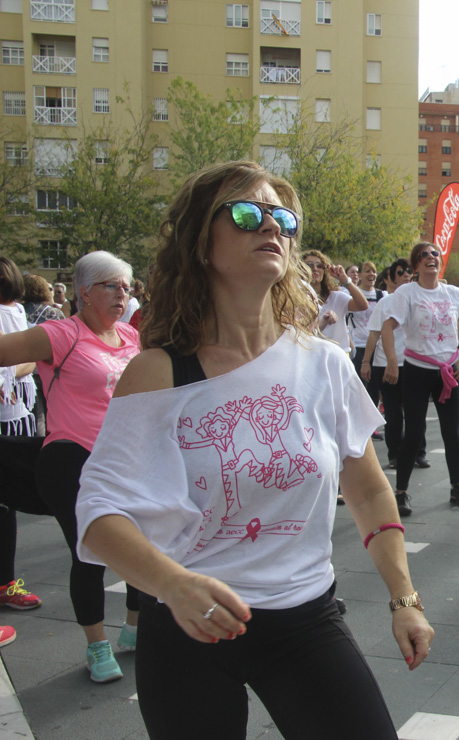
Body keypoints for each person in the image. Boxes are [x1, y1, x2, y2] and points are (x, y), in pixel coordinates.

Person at [75, 161, 433, 738]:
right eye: (246, 213)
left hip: (306, 617)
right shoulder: (159, 373)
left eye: (281, 217)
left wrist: (403, 597)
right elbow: (97, 514)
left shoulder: (325, 364)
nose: (269, 226)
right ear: (200, 241)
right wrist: (170, 583)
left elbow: (366, 489)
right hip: (190, 626)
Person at [0, 250, 142, 681]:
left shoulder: (132, 340)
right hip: (73, 459)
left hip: (126, 459)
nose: (123, 295)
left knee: (143, 545)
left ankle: (134, 632)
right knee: (91, 552)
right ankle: (98, 648)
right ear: (84, 292)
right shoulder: (63, 334)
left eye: (127, 287)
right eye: (112, 286)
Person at [382, 242, 459, 515]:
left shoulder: (453, 294)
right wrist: (392, 362)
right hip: (417, 370)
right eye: (424, 255)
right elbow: (388, 327)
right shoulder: (407, 293)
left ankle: (456, 486)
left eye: (434, 254)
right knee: (413, 433)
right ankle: (400, 493)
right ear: (416, 265)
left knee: (452, 433)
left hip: (448, 371)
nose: (430, 258)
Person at [0, 258, 44, 627]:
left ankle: (6, 582)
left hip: (12, 415)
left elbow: (28, 360)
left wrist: (7, 373)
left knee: (6, 504)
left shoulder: (13, 313)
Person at [363, 259, 428, 471]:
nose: (406, 275)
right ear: (392, 278)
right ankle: (396, 455)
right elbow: (374, 334)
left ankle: (419, 453)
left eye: (410, 271)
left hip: (415, 363)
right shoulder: (385, 303)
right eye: (400, 272)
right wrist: (366, 362)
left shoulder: (422, 299)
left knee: (416, 412)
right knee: (393, 412)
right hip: (386, 365)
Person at [302, 249, 369, 353]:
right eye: (310, 265)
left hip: (340, 354)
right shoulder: (298, 299)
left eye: (319, 266)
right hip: (312, 354)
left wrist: (345, 280)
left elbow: (363, 305)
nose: (315, 269)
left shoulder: (336, 297)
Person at [349, 261, 385, 401]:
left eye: (373, 271)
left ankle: (374, 419)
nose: (371, 274)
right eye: (367, 271)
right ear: (359, 275)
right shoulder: (351, 293)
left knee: (374, 388)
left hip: (376, 347)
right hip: (357, 346)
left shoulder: (382, 295)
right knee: (360, 387)